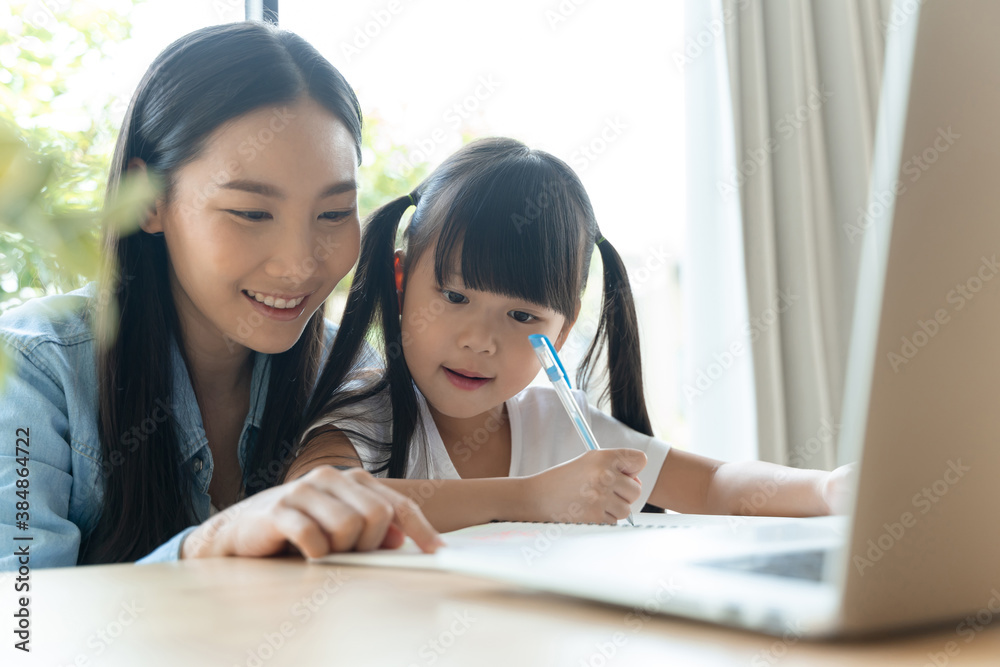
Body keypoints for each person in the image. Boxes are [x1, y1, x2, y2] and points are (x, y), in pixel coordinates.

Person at [0, 22, 441, 570]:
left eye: (333, 213)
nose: (298, 262)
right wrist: (207, 547)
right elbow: (19, 624)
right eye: (252, 213)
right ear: (150, 200)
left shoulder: (347, 372)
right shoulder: (32, 373)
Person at [286, 137, 854, 532]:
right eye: (455, 297)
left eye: (523, 317)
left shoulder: (559, 425)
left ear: (562, 330)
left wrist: (827, 489)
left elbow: (715, 485)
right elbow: (309, 502)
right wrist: (531, 498)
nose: (480, 341)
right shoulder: (364, 416)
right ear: (403, 280)